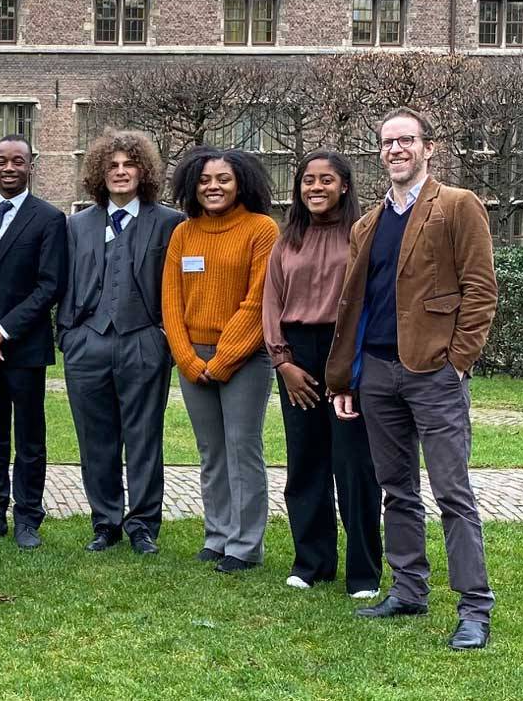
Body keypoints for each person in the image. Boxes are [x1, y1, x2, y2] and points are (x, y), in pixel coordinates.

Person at [327, 107, 499, 651]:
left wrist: (458, 361)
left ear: (429, 147)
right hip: (377, 374)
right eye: (386, 143)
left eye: (406, 140)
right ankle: (408, 589)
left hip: (435, 374)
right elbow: (357, 305)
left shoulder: (457, 205)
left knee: (452, 493)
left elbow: (481, 291)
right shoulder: (366, 224)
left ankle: (474, 608)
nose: (395, 150)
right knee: (396, 490)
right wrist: (348, 378)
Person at [261, 152, 381, 598]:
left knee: (354, 466)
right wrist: (283, 362)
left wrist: (350, 367)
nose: (315, 187)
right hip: (296, 354)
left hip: (345, 352)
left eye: (325, 180)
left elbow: (370, 303)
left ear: (344, 186)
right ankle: (312, 563)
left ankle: (364, 573)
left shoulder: (361, 236)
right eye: (308, 180)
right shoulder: (286, 238)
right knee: (305, 462)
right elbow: (270, 303)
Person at [58, 130, 183, 554]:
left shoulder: (169, 222)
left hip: (144, 341)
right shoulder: (77, 224)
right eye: (112, 165)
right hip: (88, 342)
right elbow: (66, 284)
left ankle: (143, 524)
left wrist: (165, 337)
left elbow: (177, 286)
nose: (121, 172)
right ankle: (105, 521)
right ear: (99, 172)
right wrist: (69, 336)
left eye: (129, 164)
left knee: (144, 434)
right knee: (96, 437)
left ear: (143, 171)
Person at [162, 147, 279, 574]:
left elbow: (257, 301)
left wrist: (225, 358)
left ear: (241, 182)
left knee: (241, 448)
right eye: (205, 180)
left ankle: (245, 546)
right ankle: (217, 535)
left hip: (245, 358)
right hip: (194, 359)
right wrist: (189, 361)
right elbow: (171, 302)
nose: (214, 187)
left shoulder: (261, 229)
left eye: (223, 179)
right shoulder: (184, 233)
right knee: (211, 452)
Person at [0, 134, 66, 549]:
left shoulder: (49, 218)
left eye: (18, 161)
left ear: (31, 166)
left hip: (22, 346)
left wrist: (2, 331)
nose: (9, 168)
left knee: (28, 436)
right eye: (2, 160)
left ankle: (27, 517)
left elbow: (49, 286)